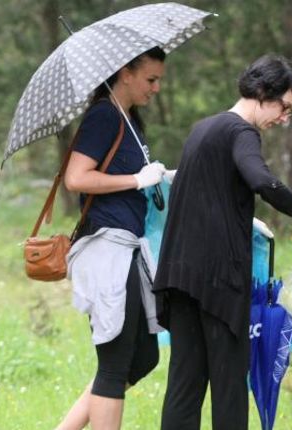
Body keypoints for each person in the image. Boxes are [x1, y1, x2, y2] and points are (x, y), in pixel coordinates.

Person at [152, 54, 292, 430]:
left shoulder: (203, 128)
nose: (284, 118)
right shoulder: (241, 132)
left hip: (179, 277)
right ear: (262, 91)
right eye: (284, 107)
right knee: (230, 386)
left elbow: (206, 193)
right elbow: (262, 179)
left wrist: (244, 216)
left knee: (184, 387)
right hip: (218, 281)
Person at [58, 46, 169, 430]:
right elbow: (76, 178)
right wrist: (136, 179)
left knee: (143, 357)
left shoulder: (129, 119)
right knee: (115, 363)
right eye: (150, 79)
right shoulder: (104, 116)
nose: (156, 88)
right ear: (125, 72)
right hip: (107, 250)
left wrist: (156, 176)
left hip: (129, 249)